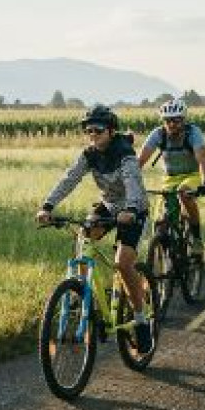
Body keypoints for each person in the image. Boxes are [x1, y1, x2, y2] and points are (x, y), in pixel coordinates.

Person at [36, 104, 154, 353]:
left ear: (111, 131)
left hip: (134, 211)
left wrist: (131, 210)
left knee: (123, 263)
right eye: (88, 130)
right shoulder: (89, 154)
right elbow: (70, 178)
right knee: (83, 237)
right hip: (109, 207)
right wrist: (48, 206)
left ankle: (142, 319)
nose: (92, 134)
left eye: (97, 130)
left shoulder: (125, 153)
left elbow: (133, 183)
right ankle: (82, 295)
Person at [138, 98, 205, 258]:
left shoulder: (193, 133)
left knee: (184, 193)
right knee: (161, 223)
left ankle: (197, 238)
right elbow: (140, 160)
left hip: (192, 176)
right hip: (169, 179)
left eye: (176, 120)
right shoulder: (158, 134)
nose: (172, 124)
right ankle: (169, 260)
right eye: (168, 120)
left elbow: (202, 159)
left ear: (183, 120)